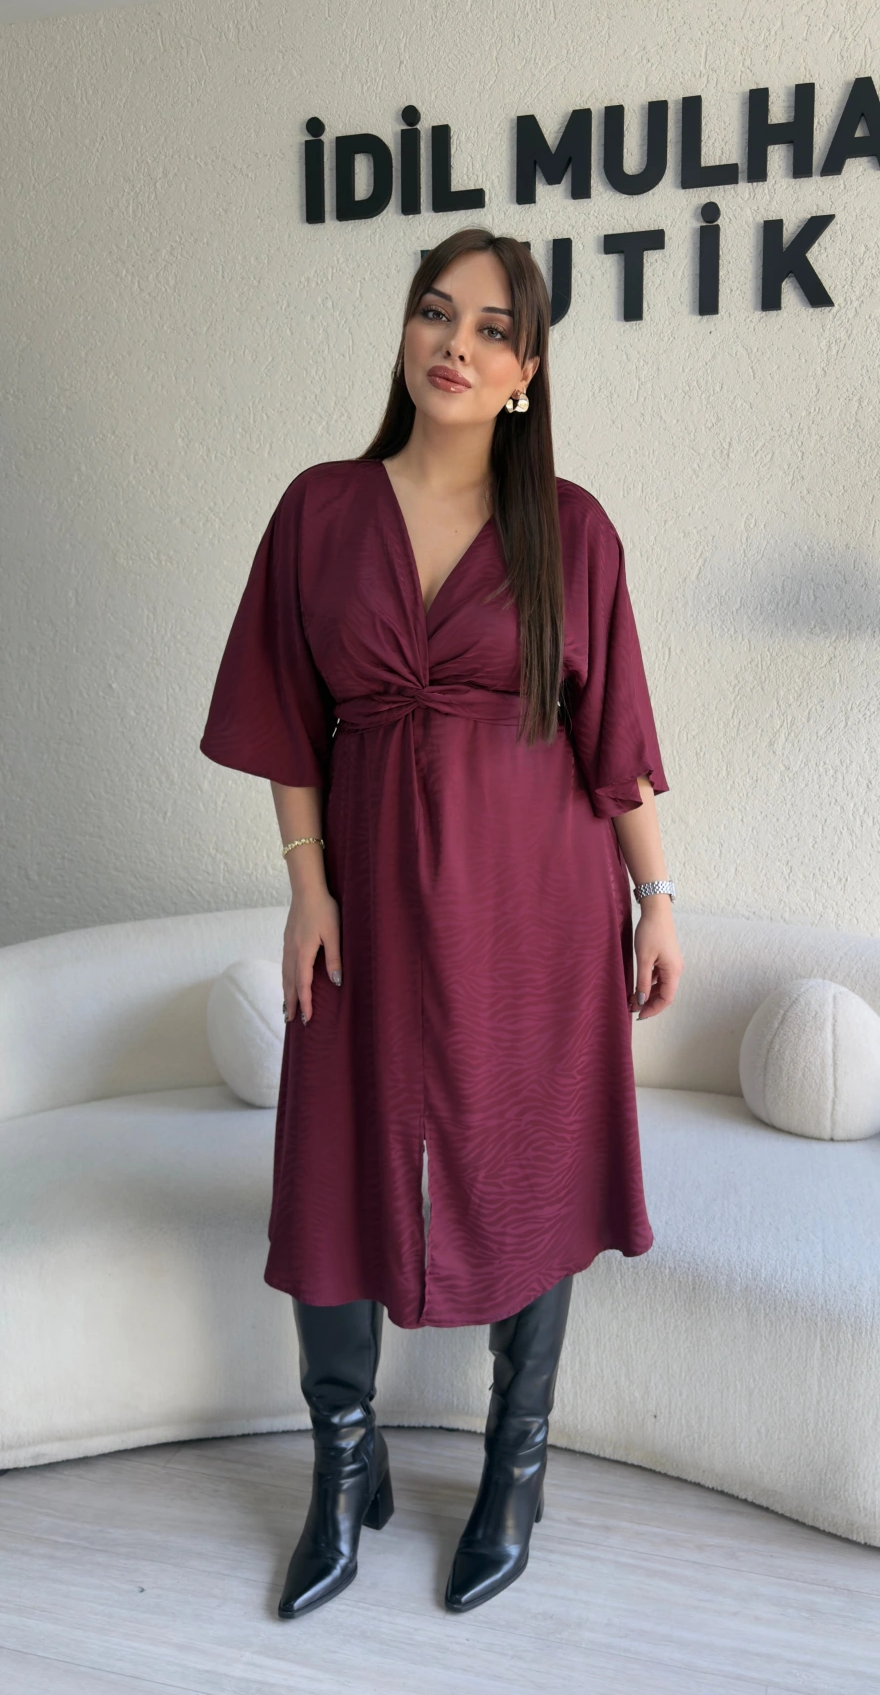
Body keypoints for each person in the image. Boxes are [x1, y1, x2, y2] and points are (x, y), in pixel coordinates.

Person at [199, 225, 683, 1618]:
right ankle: (342, 1473)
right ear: (406, 335)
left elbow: (616, 743)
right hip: (362, 899)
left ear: (527, 372)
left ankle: (514, 1471)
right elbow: (285, 715)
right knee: (335, 1152)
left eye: (490, 328)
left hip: (539, 903)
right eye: (434, 313)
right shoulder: (320, 510)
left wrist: (656, 899)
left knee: (530, 1153)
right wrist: (307, 887)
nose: (455, 344)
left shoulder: (572, 530)